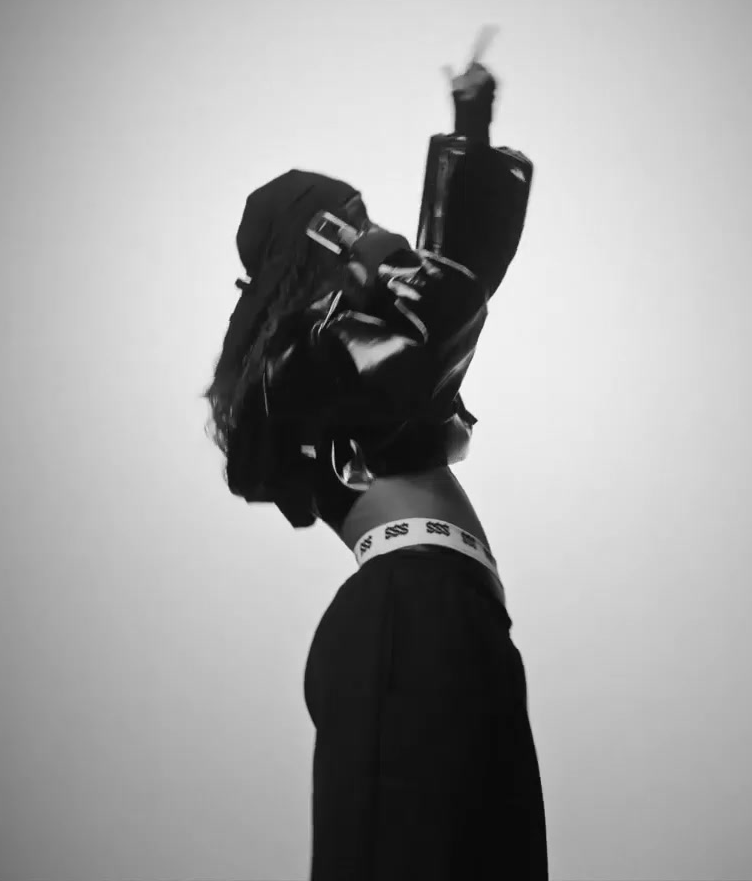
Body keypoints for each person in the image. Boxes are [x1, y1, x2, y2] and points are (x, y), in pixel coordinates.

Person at [204, 49, 548, 880]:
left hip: (461, 617)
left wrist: (471, 130)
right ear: (314, 241)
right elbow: (444, 304)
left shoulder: (368, 332)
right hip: (409, 613)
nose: (371, 229)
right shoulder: (305, 352)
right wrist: (366, 246)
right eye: (347, 219)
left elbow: (459, 278)